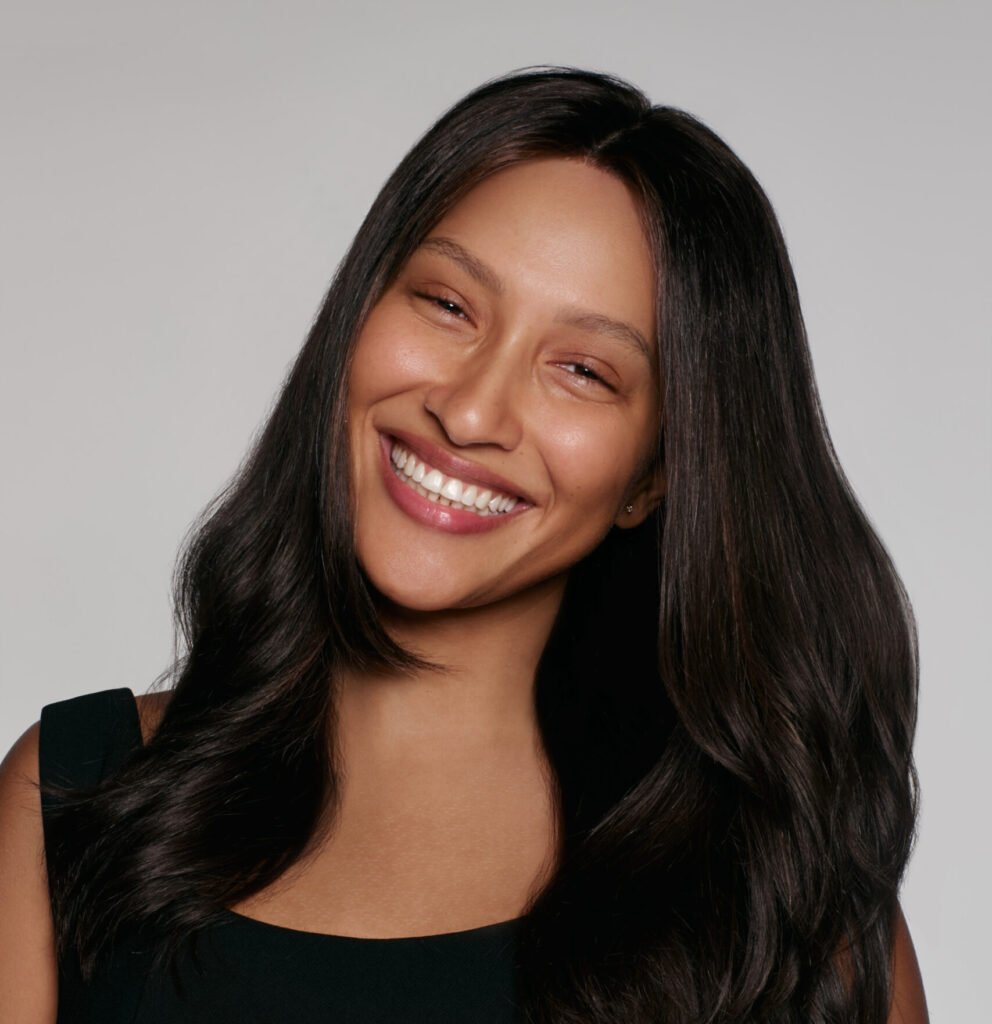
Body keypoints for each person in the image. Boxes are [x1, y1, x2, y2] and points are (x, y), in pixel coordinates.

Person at [0, 67, 928, 1022]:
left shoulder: (786, 900)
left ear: (654, 477)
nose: (471, 409)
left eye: (583, 370)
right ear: (357, 315)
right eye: (448, 305)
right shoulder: (78, 793)